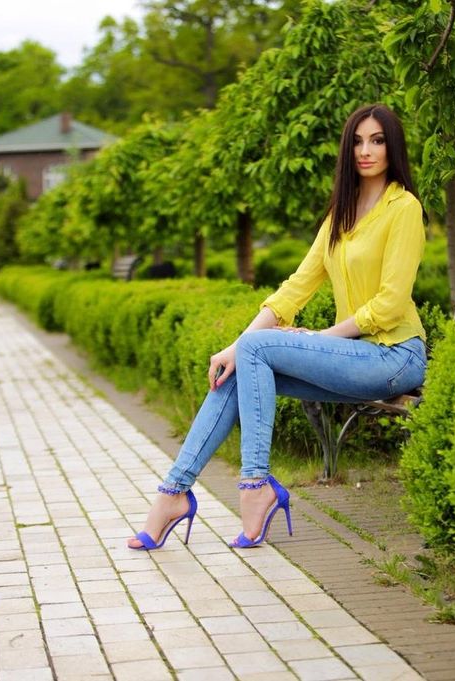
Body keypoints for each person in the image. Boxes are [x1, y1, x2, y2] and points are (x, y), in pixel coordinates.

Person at [127, 103, 428, 551]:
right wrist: (234, 346)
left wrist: (320, 337)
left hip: (395, 357)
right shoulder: (340, 216)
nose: (366, 151)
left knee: (256, 351)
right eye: (358, 141)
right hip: (357, 359)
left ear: (392, 147)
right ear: (347, 150)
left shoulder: (403, 208)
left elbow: (390, 304)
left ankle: (254, 488)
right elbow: (294, 290)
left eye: (378, 140)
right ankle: (172, 494)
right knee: (237, 369)